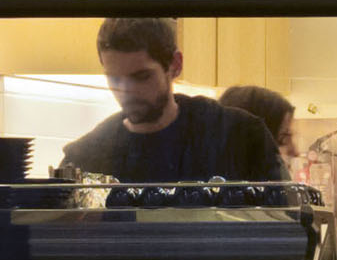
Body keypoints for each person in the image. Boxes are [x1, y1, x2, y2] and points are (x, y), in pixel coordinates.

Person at [55, 14, 243, 187]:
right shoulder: (85, 157)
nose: (126, 91)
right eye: (115, 79)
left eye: (142, 76)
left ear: (175, 66)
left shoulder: (233, 136)